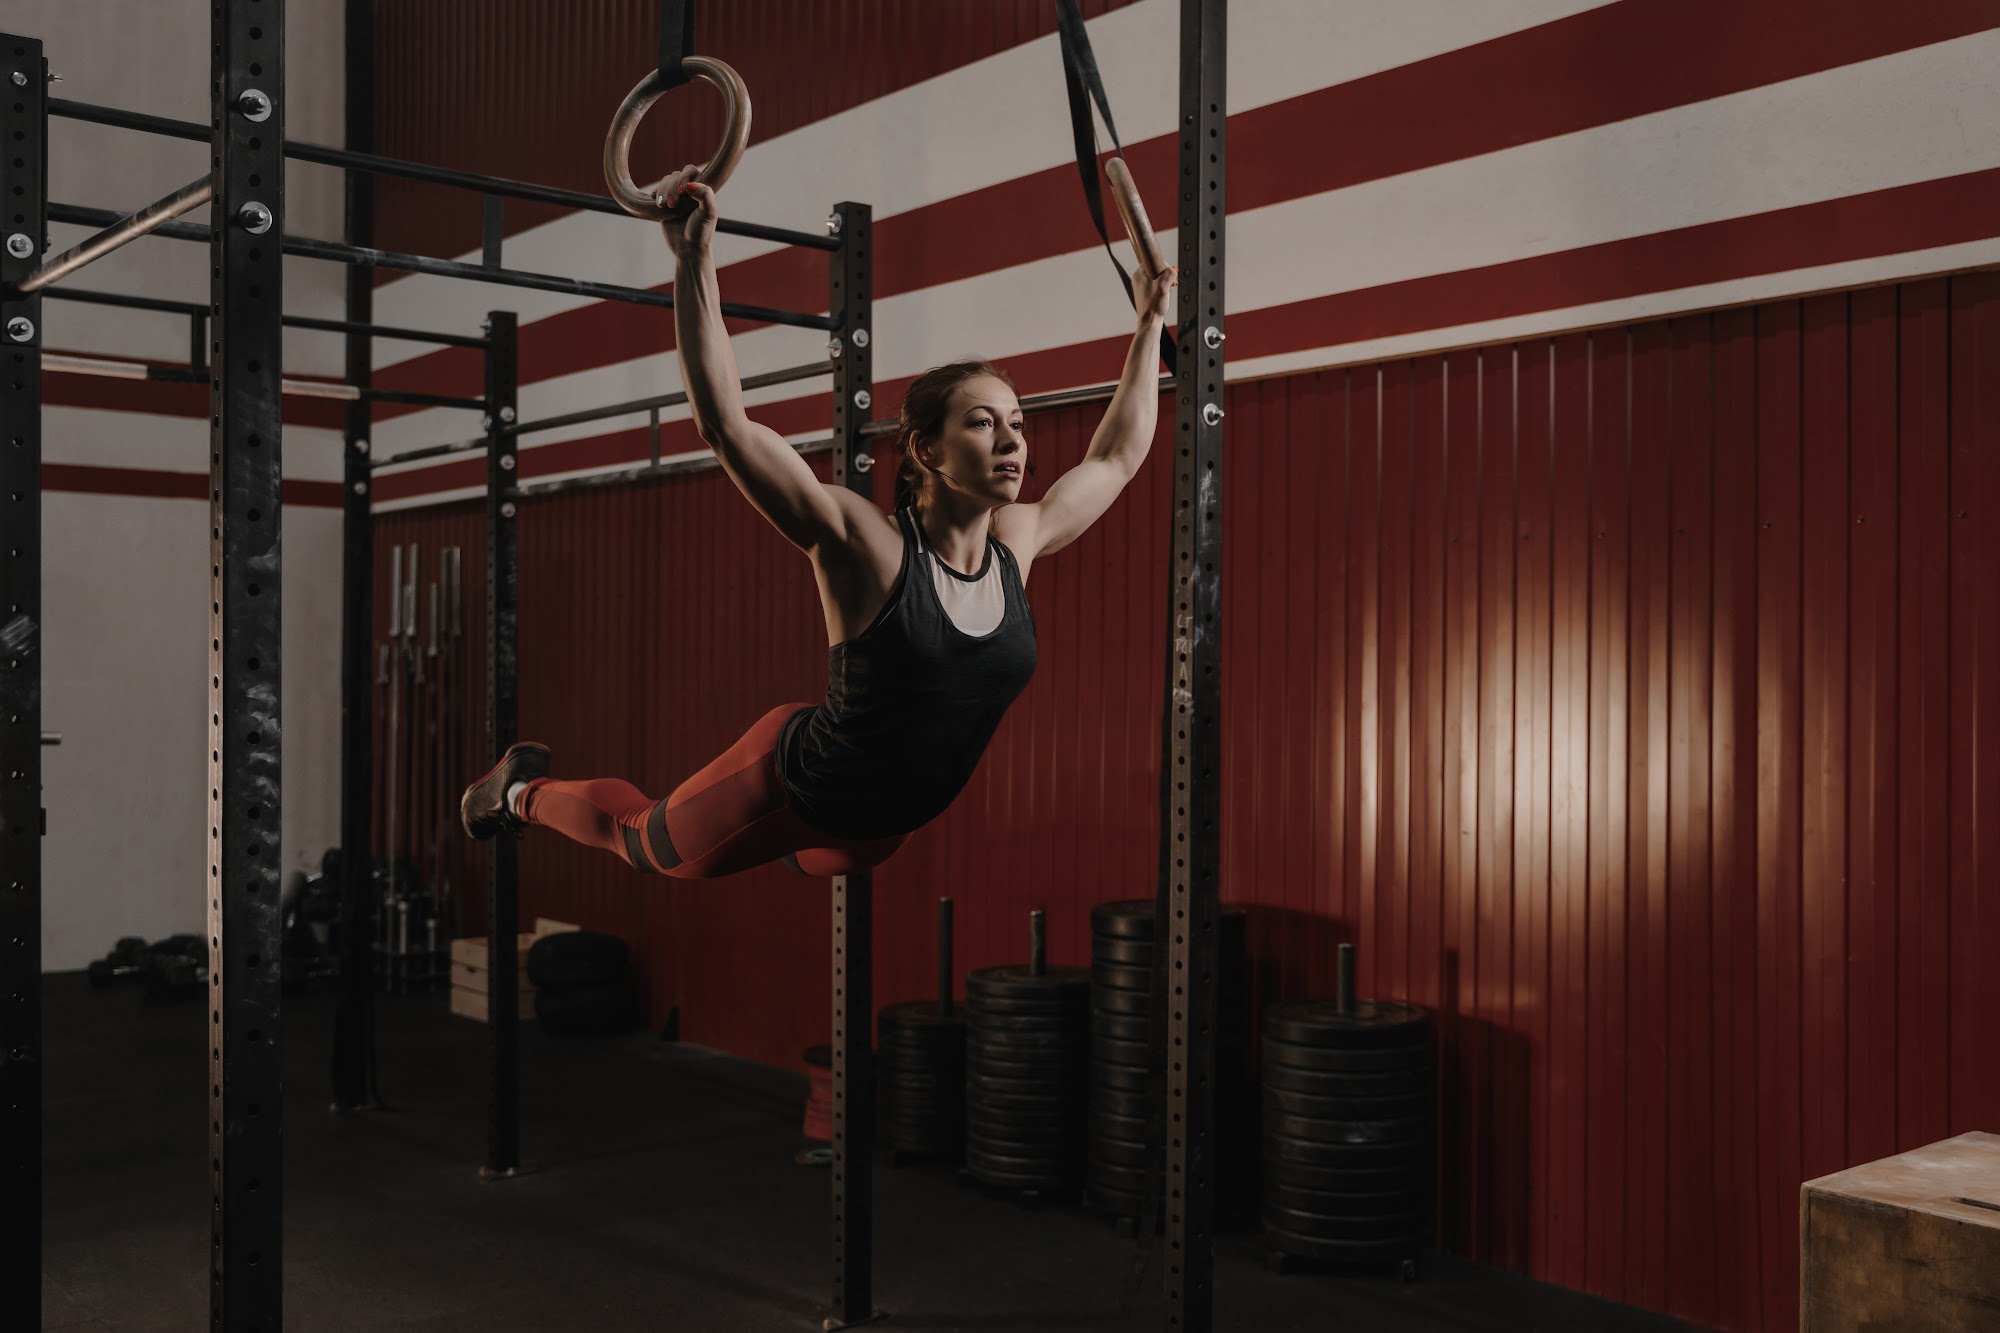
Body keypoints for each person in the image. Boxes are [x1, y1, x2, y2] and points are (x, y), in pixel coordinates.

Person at [460, 169, 1176, 877]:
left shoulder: (1017, 543)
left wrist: (1148, 323)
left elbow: (1113, 458)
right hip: (794, 790)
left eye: (1017, 424)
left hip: (878, 829)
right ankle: (518, 791)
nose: (1014, 441)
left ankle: (783, 849)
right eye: (984, 424)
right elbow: (727, 427)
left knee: (824, 862)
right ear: (926, 449)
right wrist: (692, 259)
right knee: (643, 839)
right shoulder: (864, 543)